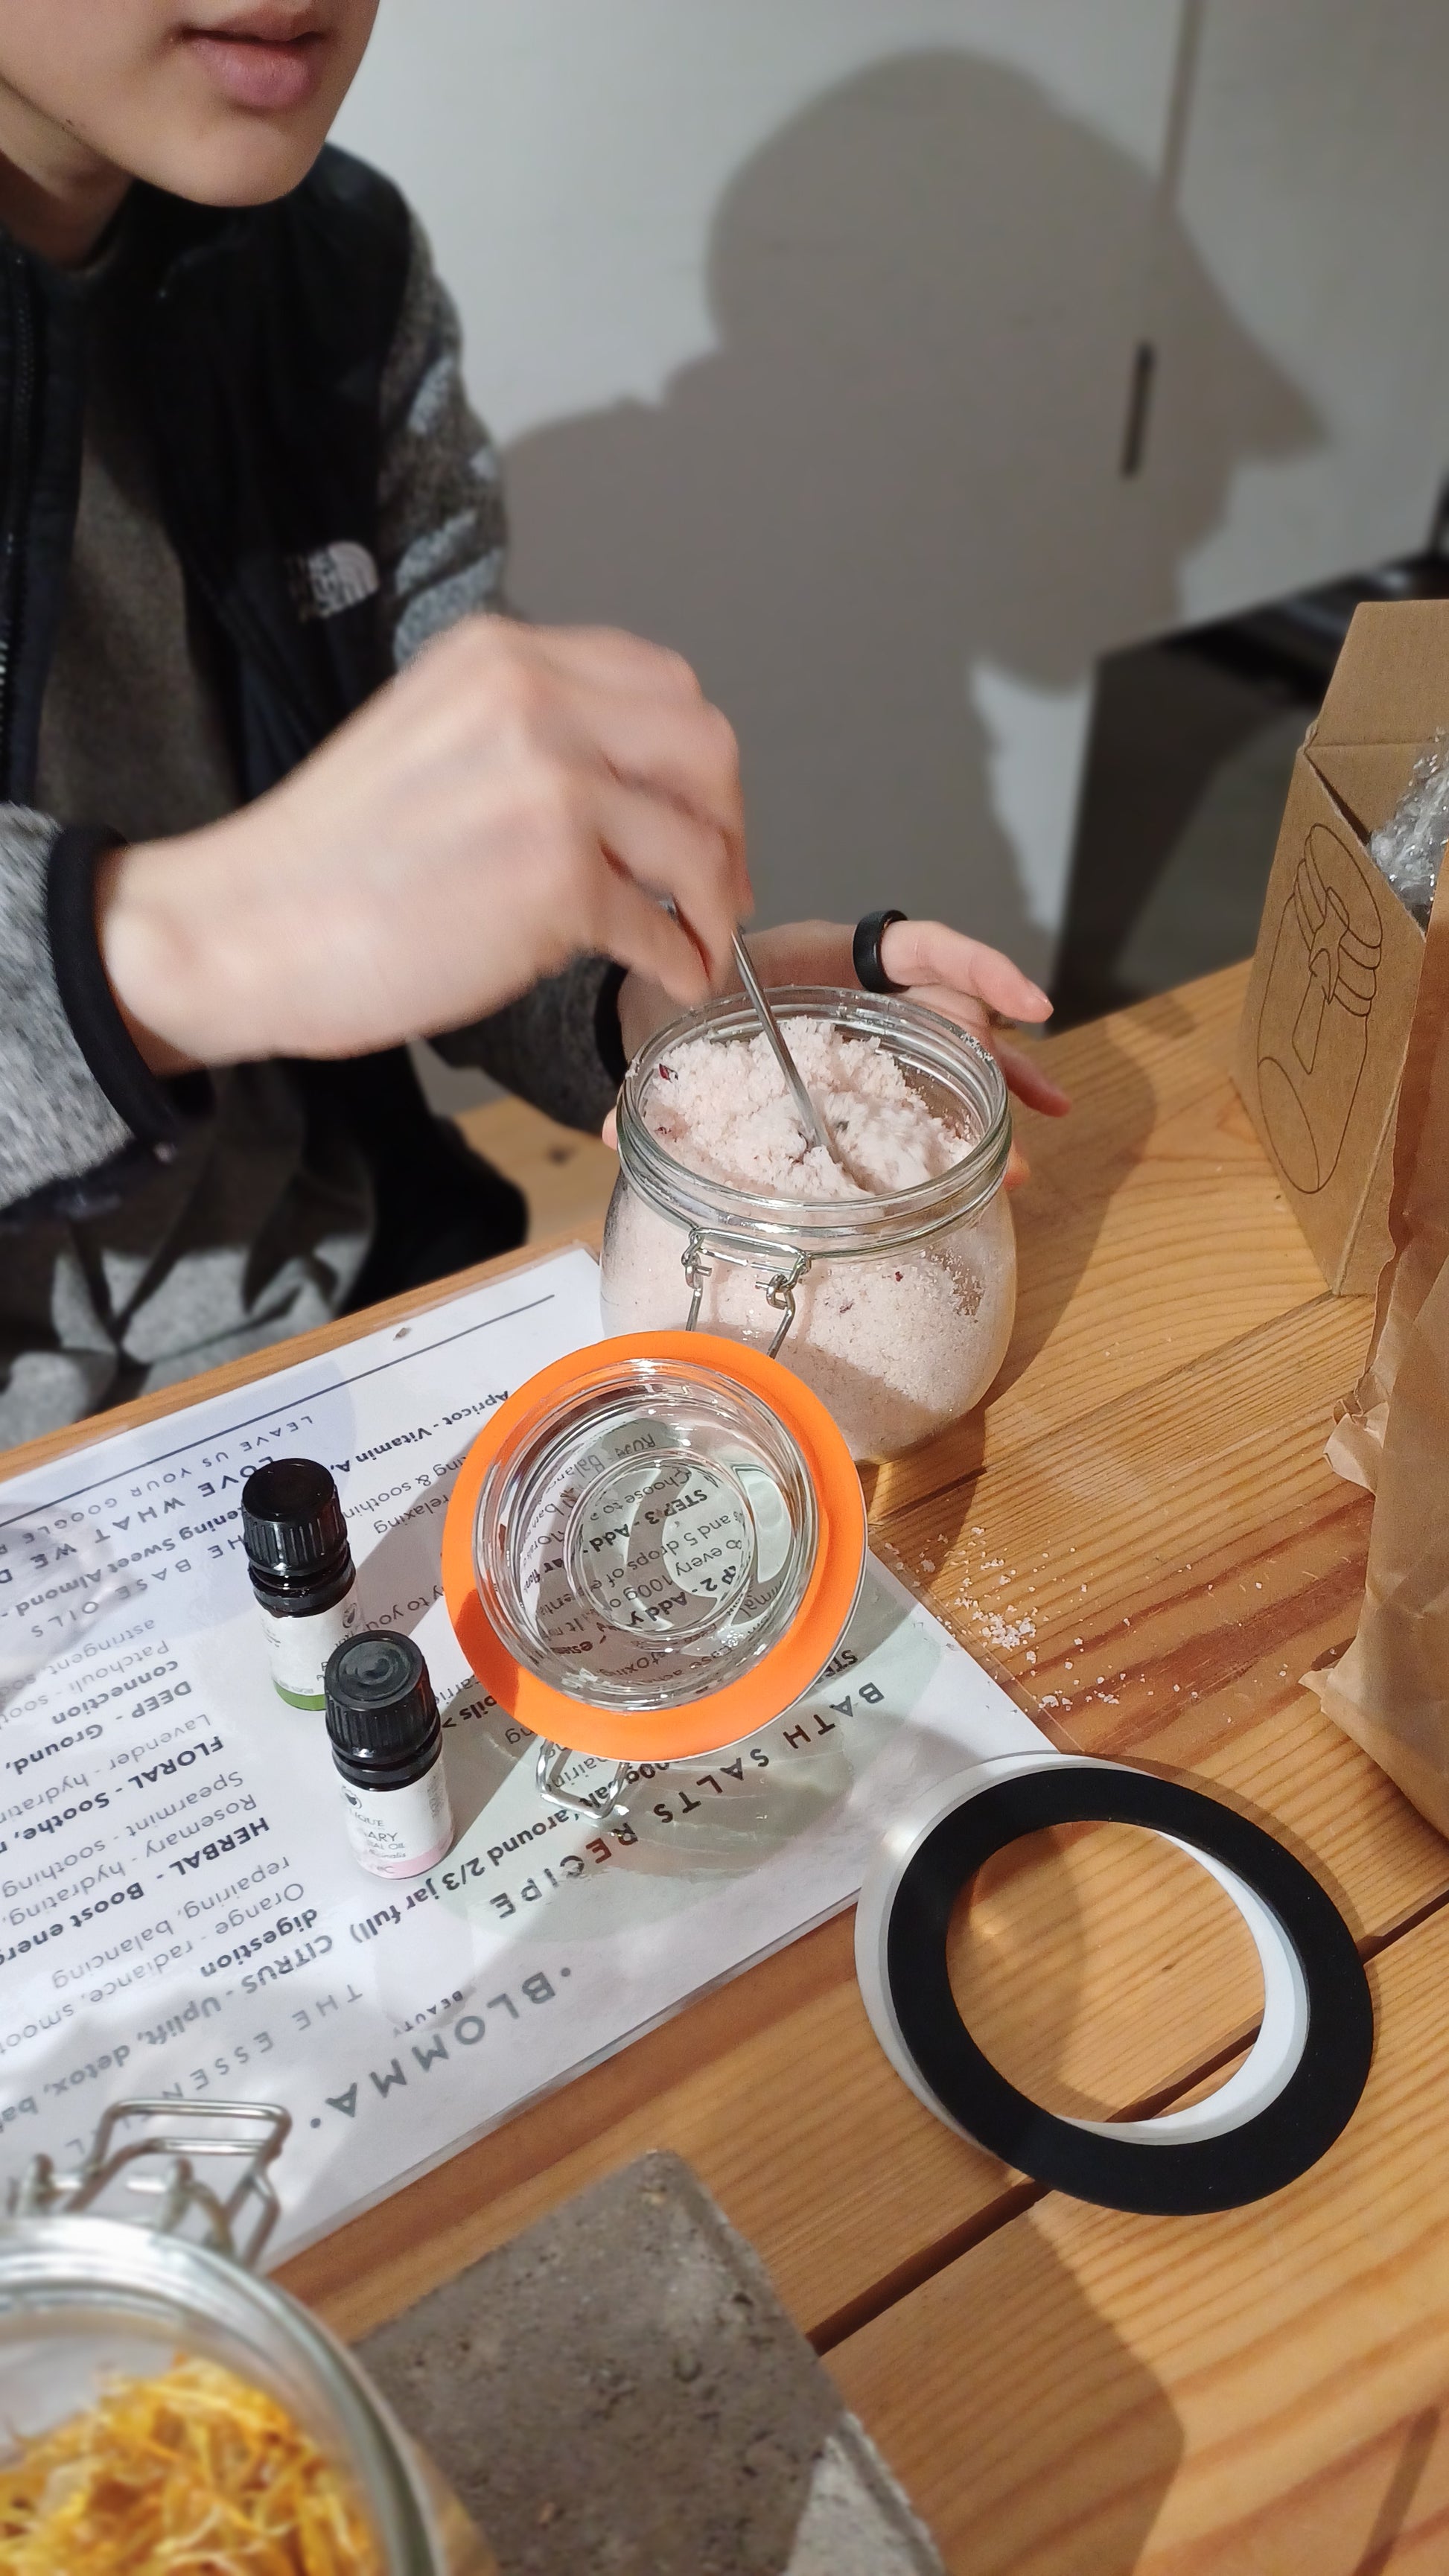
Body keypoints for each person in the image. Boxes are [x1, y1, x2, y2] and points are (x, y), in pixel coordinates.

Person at [0, 1, 1068, 1450]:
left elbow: (427, 894)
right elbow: (313, 908)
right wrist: (180, 942)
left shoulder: (337, 278)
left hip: (341, 1307)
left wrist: (650, 1004)